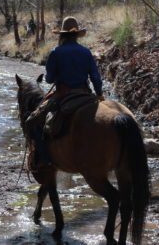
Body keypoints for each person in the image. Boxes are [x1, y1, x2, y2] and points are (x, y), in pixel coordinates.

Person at [27, 16, 104, 170]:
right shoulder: (86, 52)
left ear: (62, 35)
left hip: (63, 95)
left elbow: (49, 79)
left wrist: (56, 75)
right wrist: (100, 94)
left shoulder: (56, 52)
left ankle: (45, 158)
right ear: (76, 35)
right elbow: (95, 77)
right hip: (86, 94)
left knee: (32, 122)